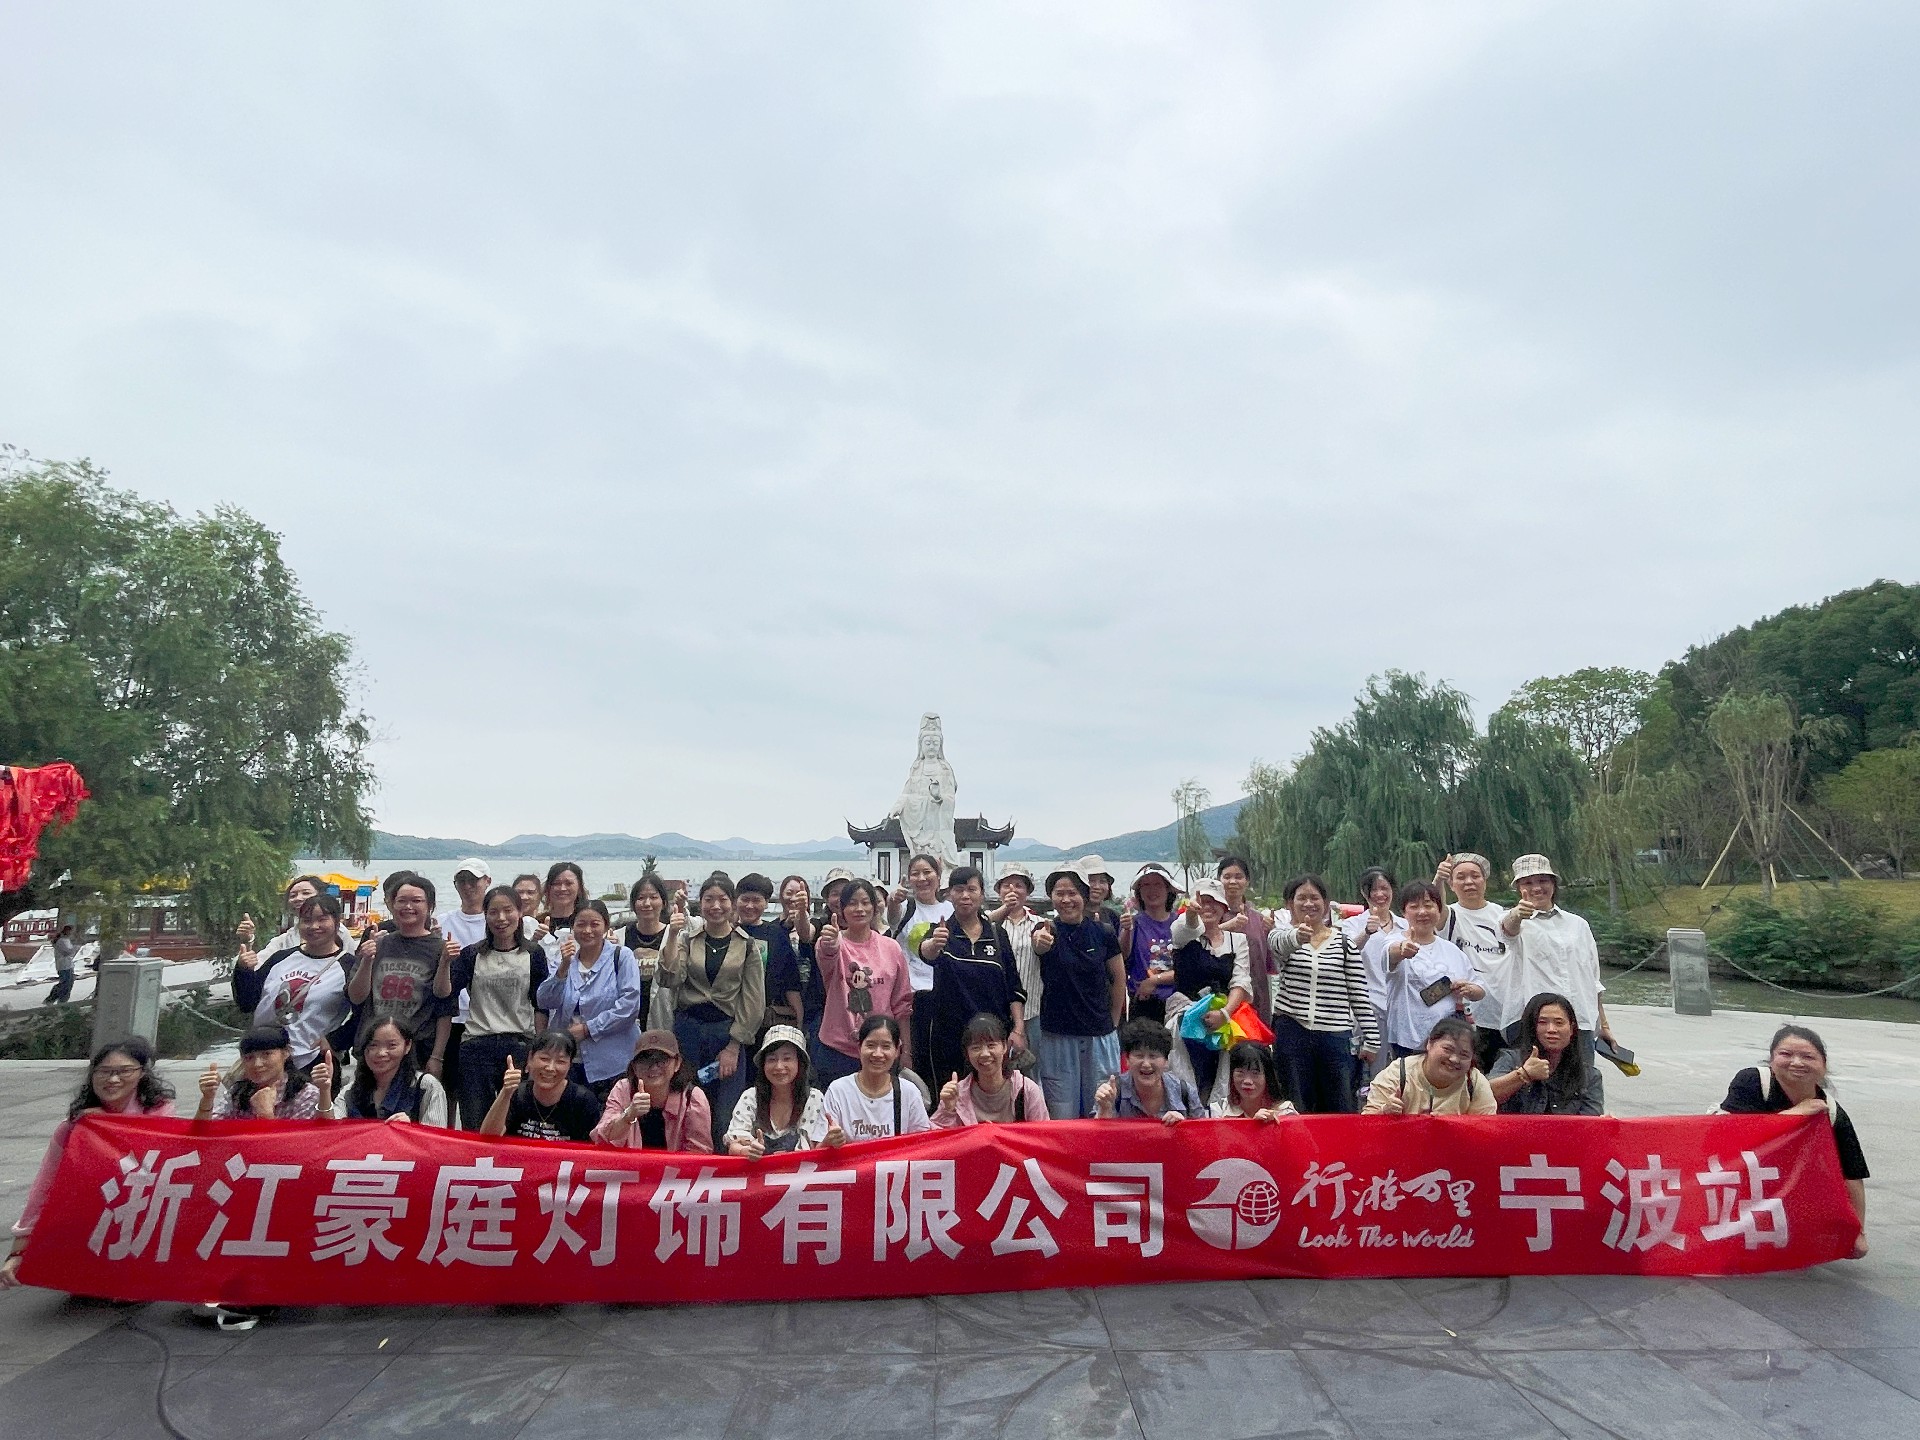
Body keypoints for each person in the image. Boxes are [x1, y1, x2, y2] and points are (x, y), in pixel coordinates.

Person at [3, 1038, 175, 1288]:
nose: (113, 1079)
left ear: (142, 1074)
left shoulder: (160, 1114)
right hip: (95, 1216)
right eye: (104, 1072)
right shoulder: (74, 1128)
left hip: (145, 1214)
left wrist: (110, 1124)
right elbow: (45, 1187)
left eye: (124, 1071)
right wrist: (18, 1252)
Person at [1717, 1024, 1869, 1258]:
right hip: (1731, 1174)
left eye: (1808, 1057)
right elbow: (1732, 1135)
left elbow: (1852, 1174)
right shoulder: (1752, 1081)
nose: (1797, 1062)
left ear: (1823, 1065)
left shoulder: (1832, 1112)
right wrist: (1796, 1114)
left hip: (1782, 1180)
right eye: (1786, 1054)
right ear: (1772, 1059)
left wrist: (1858, 1232)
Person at [656, 874, 767, 1146]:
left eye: (722, 899)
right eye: (708, 900)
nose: (715, 906)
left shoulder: (747, 945)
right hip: (688, 1031)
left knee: (725, 1115)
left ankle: (724, 1166)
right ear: (700, 903)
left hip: (725, 1034)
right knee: (686, 1107)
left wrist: (734, 1046)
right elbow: (669, 978)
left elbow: (753, 1000)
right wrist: (672, 934)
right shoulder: (688, 939)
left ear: (732, 903)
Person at [1269, 874, 1379, 1114]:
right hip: (1293, 1032)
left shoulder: (1344, 944)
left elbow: (1358, 992)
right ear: (1289, 904)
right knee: (1296, 1104)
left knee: (1339, 1105)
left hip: (1334, 1035)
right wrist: (1298, 936)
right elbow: (1280, 946)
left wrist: (1372, 1038)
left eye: (1315, 898)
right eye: (1301, 898)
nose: (1309, 903)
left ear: (1326, 904)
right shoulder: (1281, 936)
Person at [447, 884, 550, 1129]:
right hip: (476, 1045)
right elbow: (446, 993)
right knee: (475, 1124)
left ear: (520, 912)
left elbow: (540, 1005)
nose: (501, 918)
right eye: (493, 912)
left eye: (508, 910)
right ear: (485, 915)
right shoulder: (472, 954)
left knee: (518, 1123)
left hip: (519, 1044)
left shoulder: (534, 954)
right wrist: (444, 962)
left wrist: (538, 1050)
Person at [1499, 854, 1617, 1062]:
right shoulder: (1513, 920)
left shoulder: (1578, 925)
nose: (1537, 888)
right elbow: (1507, 931)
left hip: (1579, 1022)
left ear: (1553, 883)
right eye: (1528, 883)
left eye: (1542, 880)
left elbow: (1592, 980)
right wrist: (1518, 914)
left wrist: (1603, 1025)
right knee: (1535, 1078)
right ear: (1518, 888)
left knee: (1581, 1078)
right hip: (1535, 1023)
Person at [1033, 866, 1126, 1120]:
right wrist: (1040, 942)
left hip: (1099, 1036)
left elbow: (1118, 979)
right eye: (1059, 893)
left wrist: (1113, 1023)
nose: (1066, 900)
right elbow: (1039, 945)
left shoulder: (1103, 932)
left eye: (1072, 893)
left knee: (1102, 1111)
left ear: (1084, 895)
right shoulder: (1045, 930)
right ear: (1051, 897)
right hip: (1057, 1036)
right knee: (1062, 1114)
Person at [917, 865, 1026, 1081]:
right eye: (958, 889)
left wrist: (1019, 1030)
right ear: (949, 894)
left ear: (982, 894)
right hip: (950, 1040)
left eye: (971, 889)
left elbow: (1014, 987)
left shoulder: (997, 935)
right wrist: (934, 943)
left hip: (993, 1038)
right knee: (952, 1095)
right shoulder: (940, 931)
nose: (965, 895)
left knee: (993, 1094)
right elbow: (926, 952)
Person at [345, 872, 454, 1080]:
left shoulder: (441, 949)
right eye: (401, 901)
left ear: (430, 906)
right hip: (374, 1047)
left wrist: (437, 1057)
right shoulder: (377, 944)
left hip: (418, 1048)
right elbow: (356, 997)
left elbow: (445, 1007)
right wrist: (367, 960)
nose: (408, 907)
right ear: (392, 905)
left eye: (417, 901)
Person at [534, 898, 642, 1103]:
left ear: (606, 927)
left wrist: (588, 1029)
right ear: (572, 927)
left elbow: (629, 1006)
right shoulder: (565, 958)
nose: (587, 930)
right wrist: (563, 968)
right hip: (570, 1062)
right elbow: (545, 1000)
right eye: (581, 924)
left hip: (613, 1064)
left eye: (595, 924)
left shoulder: (621, 956)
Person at [233, 893, 355, 1070]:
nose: (314, 926)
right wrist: (243, 970)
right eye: (306, 920)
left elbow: (363, 1013)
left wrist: (337, 1041)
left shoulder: (348, 966)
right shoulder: (281, 958)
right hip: (265, 1059)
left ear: (337, 921)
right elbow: (247, 1003)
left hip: (311, 1061)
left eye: (322, 919)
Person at [811, 879, 915, 1086]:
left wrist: (906, 1052)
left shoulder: (891, 948)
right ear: (841, 909)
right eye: (852, 903)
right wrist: (830, 943)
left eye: (866, 902)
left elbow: (902, 1005)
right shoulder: (834, 942)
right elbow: (827, 953)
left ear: (875, 908)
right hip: (837, 1050)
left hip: (881, 1050)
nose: (859, 909)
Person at [1375, 880, 1484, 1059]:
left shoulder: (1451, 950)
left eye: (1428, 905)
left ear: (1439, 910)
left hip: (1447, 1041)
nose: (1422, 912)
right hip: (1408, 1040)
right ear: (1404, 912)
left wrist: (1469, 989)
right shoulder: (1393, 940)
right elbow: (1391, 954)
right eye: (1414, 906)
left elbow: (1479, 989)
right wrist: (1402, 949)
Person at [1166, 878, 1253, 1099]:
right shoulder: (1183, 934)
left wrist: (1224, 1014)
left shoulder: (1238, 940)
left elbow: (1241, 981)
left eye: (1214, 902)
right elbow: (1186, 928)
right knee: (1185, 1081)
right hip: (1186, 1021)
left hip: (1222, 1022)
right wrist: (1191, 914)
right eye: (1203, 901)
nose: (1208, 907)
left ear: (1224, 907)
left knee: (1219, 1083)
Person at [1436, 852, 1513, 1070]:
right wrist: (1438, 879)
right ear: (1451, 884)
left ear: (1484, 880)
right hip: (1471, 1016)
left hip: (1507, 1013)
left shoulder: (1503, 916)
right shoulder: (1450, 915)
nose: (1469, 882)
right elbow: (1436, 906)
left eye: (1475, 876)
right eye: (1460, 877)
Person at [594, 1030, 714, 1152]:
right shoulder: (623, 1089)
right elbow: (601, 1140)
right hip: (629, 1164)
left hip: (675, 1164)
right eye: (645, 1060)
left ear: (677, 1063)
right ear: (634, 1067)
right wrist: (628, 1115)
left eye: (662, 1060)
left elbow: (699, 1152)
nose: (654, 1067)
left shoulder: (692, 1097)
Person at [436, 858, 494, 1104]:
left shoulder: (497, 921)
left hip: (488, 1018)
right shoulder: (442, 922)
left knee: (482, 1091)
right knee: (448, 1089)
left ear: (487, 882)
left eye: (474, 880)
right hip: (453, 1017)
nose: (468, 886)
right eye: (462, 881)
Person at [889, 853, 951, 1086]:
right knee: (914, 1059)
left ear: (939, 876)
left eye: (927, 872)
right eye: (915, 874)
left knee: (942, 1059)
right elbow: (892, 916)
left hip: (942, 995)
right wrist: (893, 901)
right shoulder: (905, 907)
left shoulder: (950, 909)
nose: (922, 878)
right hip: (912, 997)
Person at [1488, 992, 1603, 1115]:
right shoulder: (1510, 1059)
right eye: (1542, 1022)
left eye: (1559, 1023)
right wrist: (1523, 1074)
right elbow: (1485, 1096)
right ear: (1532, 1026)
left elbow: (1591, 1122)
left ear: (1571, 1029)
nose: (1551, 1030)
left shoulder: (1590, 1076)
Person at [821, 1014, 932, 1143]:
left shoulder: (909, 1092)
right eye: (871, 1045)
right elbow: (818, 1149)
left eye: (886, 1046)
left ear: (897, 1051)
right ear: (859, 1048)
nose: (878, 1054)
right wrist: (828, 1142)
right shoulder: (838, 1091)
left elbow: (922, 1145)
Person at [723, 1024, 829, 1155]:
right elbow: (734, 1144)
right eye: (772, 1059)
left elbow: (816, 1148)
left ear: (800, 1063)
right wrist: (746, 1151)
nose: (779, 1066)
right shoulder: (750, 1097)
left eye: (787, 1059)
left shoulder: (814, 1098)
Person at [480, 1030, 601, 1142]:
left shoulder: (583, 1100)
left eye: (560, 1061)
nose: (550, 1068)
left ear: (570, 1064)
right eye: (544, 1059)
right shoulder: (517, 1093)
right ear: (530, 1058)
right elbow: (488, 1137)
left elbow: (591, 1149)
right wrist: (506, 1092)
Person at [931, 1014, 1048, 1127]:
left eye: (991, 1045)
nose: (985, 1054)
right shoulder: (957, 1094)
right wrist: (948, 1110)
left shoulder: (1027, 1090)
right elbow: (937, 1137)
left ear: (1004, 1046)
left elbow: (1043, 1134)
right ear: (967, 1053)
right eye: (976, 1048)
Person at [1362, 1017, 1496, 1116]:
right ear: (1429, 1044)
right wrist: (1384, 1112)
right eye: (1448, 1049)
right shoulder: (1398, 1073)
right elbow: (1365, 1124)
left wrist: (1452, 1126)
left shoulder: (1474, 1082)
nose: (1454, 1059)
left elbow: (1485, 1129)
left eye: (1464, 1055)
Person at [196, 1025, 329, 1120]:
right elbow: (203, 1134)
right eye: (249, 1058)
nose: (257, 1064)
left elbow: (301, 1144)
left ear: (286, 1053)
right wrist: (207, 1098)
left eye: (266, 1054)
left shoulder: (305, 1094)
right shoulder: (238, 1092)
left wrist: (265, 1114)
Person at [333, 1017, 449, 1124]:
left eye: (392, 1045)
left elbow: (436, 1137)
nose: (381, 1053)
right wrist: (325, 1090)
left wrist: (410, 1129)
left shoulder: (427, 1086)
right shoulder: (350, 1091)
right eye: (373, 1045)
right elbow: (334, 1130)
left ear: (407, 1046)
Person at [1092, 1018, 1206, 1122]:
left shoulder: (1185, 1092)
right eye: (1139, 1056)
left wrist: (1184, 1126)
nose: (1146, 1064)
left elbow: (1204, 1133)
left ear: (1166, 1061)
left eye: (1153, 1056)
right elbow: (1096, 1135)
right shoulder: (1112, 1092)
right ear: (1127, 1060)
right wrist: (1104, 1109)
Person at [735, 871, 798, 1032]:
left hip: (767, 1019)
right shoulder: (727, 931)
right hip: (730, 1016)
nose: (750, 906)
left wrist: (799, 1023)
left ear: (766, 903)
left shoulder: (777, 934)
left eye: (756, 900)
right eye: (745, 899)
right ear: (736, 900)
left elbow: (791, 983)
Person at [1216, 854, 1275, 1025]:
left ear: (1247, 881)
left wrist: (1271, 931)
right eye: (1227, 877)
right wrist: (1226, 926)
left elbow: (1268, 964)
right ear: (1219, 880)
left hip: (1256, 995)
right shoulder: (1211, 915)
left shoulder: (1259, 919)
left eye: (1238, 877)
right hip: (1221, 996)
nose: (1233, 881)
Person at [1119, 862, 1180, 1024]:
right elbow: (1123, 957)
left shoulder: (1180, 923)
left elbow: (1189, 968)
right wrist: (1126, 930)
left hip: (1177, 1002)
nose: (1152, 890)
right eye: (1146, 885)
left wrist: (1155, 980)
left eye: (1158, 884)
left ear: (1168, 889)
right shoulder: (1134, 923)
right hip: (1143, 1002)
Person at [992, 864, 1043, 1057]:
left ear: (1027, 892)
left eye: (1019, 885)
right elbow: (982, 924)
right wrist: (1005, 909)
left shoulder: (1039, 924)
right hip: (998, 1011)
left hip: (1033, 1011)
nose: (1012, 890)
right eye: (1006, 885)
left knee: (1032, 1065)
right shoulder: (988, 923)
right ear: (999, 891)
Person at [768, 874, 821, 1040]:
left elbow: (806, 935)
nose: (793, 898)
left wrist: (800, 917)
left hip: (812, 997)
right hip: (783, 1001)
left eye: (798, 894)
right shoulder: (772, 928)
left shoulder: (816, 925)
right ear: (781, 896)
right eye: (789, 893)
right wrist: (785, 926)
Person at [234, 874, 328, 963]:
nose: (298, 898)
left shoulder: (335, 933)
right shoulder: (283, 941)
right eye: (293, 895)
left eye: (306, 893)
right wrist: (247, 941)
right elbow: (254, 965)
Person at [621, 872, 674, 1026]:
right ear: (633, 904)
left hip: (662, 1017)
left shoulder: (674, 936)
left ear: (664, 902)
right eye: (641, 898)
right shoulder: (620, 937)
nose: (647, 903)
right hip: (626, 1020)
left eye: (653, 897)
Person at [1213, 1041, 1296, 1121]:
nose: (1247, 1081)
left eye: (1255, 1073)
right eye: (1240, 1073)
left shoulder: (1285, 1111)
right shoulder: (1219, 1109)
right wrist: (1252, 1124)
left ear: (1268, 1077)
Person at [1078, 856, 1121, 934]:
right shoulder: (1070, 918)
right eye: (1091, 880)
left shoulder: (1113, 917)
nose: (1097, 887)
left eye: (1102, 881)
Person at [44, 924, 78, 1004]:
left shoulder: (66, 940)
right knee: (65, 984)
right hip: (64, 965)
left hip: (68, 964)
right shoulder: (61, 941)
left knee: (68, 983)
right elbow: (67, 952)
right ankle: (57, 999)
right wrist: (75, 948)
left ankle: (60, 999)